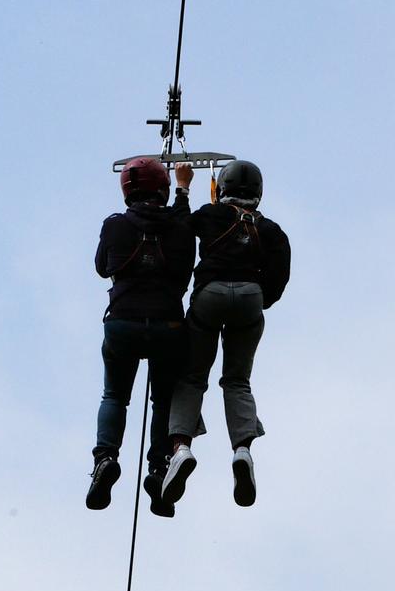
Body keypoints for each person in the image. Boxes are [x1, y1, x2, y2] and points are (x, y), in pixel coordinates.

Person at [158, 158, 290, 508]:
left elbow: (178, 229)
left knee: (191, 377)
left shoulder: (211, 214)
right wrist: (258, 298)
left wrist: (182, 188)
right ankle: (242, 450)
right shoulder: (273, 230)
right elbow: (278, 281)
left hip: (210, 294)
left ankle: (181, 448)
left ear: (224, 189)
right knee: (237, 380)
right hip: (250, 297)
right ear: (258, 193)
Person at [88, 155, 196, 514]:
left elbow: (103, 268)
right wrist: (183, 191)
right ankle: (159, 467)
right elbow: (184, 271)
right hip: (167, 324)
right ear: (162, 190)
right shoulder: (180, 228)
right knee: (162, 401)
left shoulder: (115, 225)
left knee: (115, 396)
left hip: (123, 321)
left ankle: (105, 458)